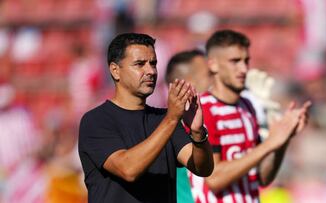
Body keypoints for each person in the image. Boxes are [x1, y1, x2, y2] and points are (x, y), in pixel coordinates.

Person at [78, 33, 214, 203]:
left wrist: (198, 133)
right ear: (115, 70)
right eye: (139, 64)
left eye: (153, 63)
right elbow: (128, 169)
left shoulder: (163, 118)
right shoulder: (96, 120)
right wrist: (171, 119)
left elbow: (203, 168)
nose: (150, 71)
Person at [189, 29, 311, 202]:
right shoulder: (203, 109)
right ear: (213, 65)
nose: (244, 69)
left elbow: (262, 177)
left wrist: (283, 140)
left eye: (246, 61)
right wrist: (270, 143)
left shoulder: (249, 108)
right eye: (235, 61)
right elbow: (214, 179)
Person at [165, 49, 211, 203]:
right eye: (209, 75)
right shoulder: (171, 129)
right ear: (188, 85)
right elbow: (214, 178)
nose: (216, 80)